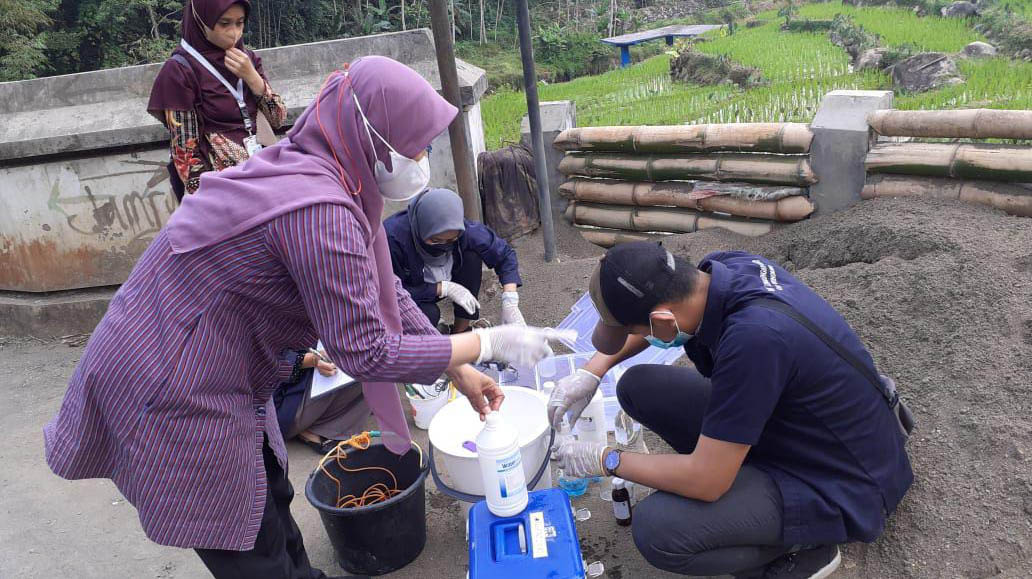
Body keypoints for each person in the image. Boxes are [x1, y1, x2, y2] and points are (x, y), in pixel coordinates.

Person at [45, 56, 564, 579]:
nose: (423, 157)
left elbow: (380, 291)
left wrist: (457, 366)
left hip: (207, 359)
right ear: (373, 135)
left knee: (271, 492)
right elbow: (368, 350)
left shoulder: (321, 169)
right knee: (245, 541)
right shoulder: (317, 206)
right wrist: (488, 344)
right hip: (170, 376)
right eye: (416, 143)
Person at [552, 242, 913, 579]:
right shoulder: (723, 270)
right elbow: (651, 325)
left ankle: (805, 547)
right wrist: (591, 372)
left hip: (842, 477)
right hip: (799, 423)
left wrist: (606, 459)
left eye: (636, 328)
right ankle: (739, 474)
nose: (637, 335)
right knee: (637, 386)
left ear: (662, 319)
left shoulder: (754, 340)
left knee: (657, 530)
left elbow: (707, 482)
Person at [148, 0, 288, 201]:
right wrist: (213, 202)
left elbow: (278, 118)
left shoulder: (246, 59)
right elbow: (186, 156)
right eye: (224, 23)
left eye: (240, 23)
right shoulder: (180, 72)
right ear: (201, 20)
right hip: (224, 191)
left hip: (267, 177)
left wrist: (253, 78)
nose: (234, 33)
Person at [385, 187, 525, 333]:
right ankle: (428, 342)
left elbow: (504, 254)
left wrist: (510, 301)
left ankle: (460, 331)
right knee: (428, 314)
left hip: (447, 276)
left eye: (452, 240)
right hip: (413, 292)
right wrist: (441, 288)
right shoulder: (393, 239)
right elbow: (387, 293)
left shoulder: (464, 230)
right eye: (435, 240)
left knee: (471, 257)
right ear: (421, 228)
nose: (444, 246)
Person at [273, 348, 367, 454]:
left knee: (375, 361)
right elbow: (269, 361)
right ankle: (318, 430)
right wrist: (311, 360)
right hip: (275, 409)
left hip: (307, 369)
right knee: (370, 365)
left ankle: (323, 427)